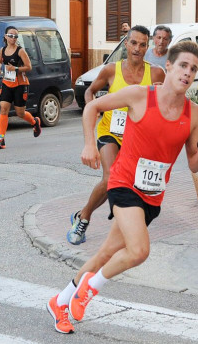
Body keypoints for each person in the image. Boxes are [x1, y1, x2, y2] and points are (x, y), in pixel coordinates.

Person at [47, 41, 198, 334]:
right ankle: (90, 288)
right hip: (124, 184)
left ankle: (59, 302)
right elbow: (93, 107)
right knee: (138, 251)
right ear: (169, 67)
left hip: (152, 195)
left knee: (105, 254)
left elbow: (195, 165)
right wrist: (89, 144)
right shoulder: (140, 96)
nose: (188, 73)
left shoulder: (194, 113)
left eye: (194, 69)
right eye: (183, 66)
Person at [67, 25, 165, 245]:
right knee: (110, 177)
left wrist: (161, 93)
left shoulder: (156, 73)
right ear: (126, 44)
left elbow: (167, 103)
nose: (137, 48)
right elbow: (89, 91)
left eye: (142, 44)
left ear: (147, 47)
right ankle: (84, 219)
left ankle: (109, 223)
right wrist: (94, 111)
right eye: (133, 43)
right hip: (110, 132)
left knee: (132, 185)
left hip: (138, 139)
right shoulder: (111, 70)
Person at [0, 26, 40, 149]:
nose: (13, 38)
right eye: (11, 35)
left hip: (20, 84)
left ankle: (35, 122)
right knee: (3, 108)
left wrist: (15, 69)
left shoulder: (20, 51)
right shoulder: (2, 50)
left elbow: (29, 67)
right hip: (7, 83)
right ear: (5, 36)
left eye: (15, 36)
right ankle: (1, 139)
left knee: (20, 113)